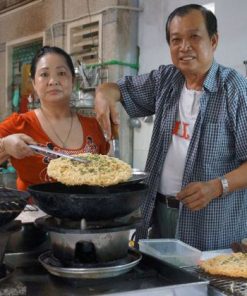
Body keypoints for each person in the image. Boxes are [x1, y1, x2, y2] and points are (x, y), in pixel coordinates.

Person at [94, 4, 247, 251]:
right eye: (176, 40)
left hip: (211, 223)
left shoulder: (235, 89)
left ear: (214, 40)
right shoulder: (167, 80)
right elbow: (118, 89)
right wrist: (103, 95)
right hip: (159, 211)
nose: (184, 47)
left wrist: (217, 186)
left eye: (194, 37)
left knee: (204, 285)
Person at [0, 46, 109, 191]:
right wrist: (4, 145)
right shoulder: (20, 125)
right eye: (44, 74)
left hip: (87, 211)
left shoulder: (93, 126)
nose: (53, 81)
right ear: (34, 83)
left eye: (61, 73)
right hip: (35, 212)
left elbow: (105, 172)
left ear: (72, 80)